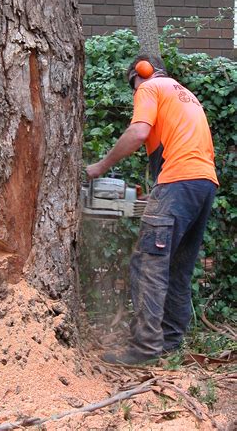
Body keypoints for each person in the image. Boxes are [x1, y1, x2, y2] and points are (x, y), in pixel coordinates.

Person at [86, 54, 218, 366]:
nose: (135, 92)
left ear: (141, 72)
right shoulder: (185, 94)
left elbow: (139, 133)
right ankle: (170, 342)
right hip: (204, 184)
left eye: (133, 84)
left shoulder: (150, 88)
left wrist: (100, 167)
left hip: (178, 181)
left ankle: (144, 348)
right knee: (177, 268)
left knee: (147, 264)